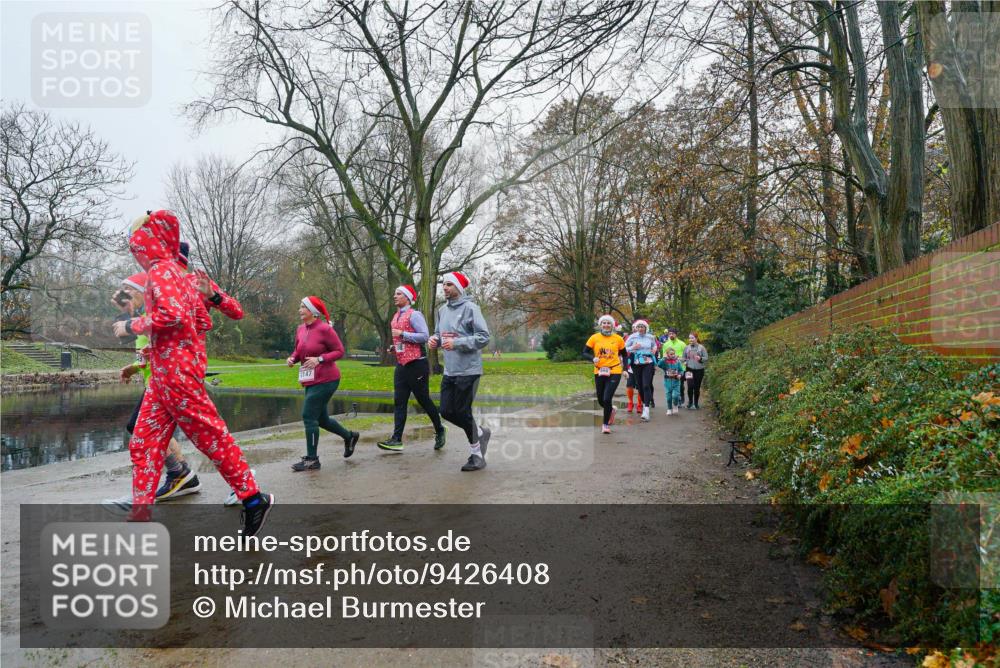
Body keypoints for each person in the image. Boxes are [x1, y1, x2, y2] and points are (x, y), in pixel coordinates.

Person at [112, 210, 272, 536]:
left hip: (179, 374)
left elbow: (179, 317)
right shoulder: (168, 275)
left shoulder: (165, 273)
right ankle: (140, 515)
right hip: (165, 374)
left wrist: (131, 325)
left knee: (210, 437)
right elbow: (188, 323)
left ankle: (254, 499)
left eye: (136, 245)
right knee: (143, 442)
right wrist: (155, 351)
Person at [112, 272, 201, 505]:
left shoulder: (153, 318)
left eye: (128, 289)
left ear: (143, 291)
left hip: (165, 383)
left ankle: (176, 474)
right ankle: (183, 476)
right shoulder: (144, 318)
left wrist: (127, 317)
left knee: (138, 428)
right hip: (158, 383)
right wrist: (133, 368)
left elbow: (162, 345)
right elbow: (145, 353)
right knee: (161, 432)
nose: (123, 294)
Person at [427, 271, 491, 472]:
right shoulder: (441, 310)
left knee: (463, 412)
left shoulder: (471, 308)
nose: (445, 287)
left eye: (449, 284)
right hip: (450, 370)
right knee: (446, 411)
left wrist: (457, 343)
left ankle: (477, 455)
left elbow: (483, 337)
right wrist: (434, 340)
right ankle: (480, 433)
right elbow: (439, 334)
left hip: (469, 370)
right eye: (444, 284)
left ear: (458, 288)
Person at [287, 296, 360, 470]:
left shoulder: (325, 329)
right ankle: (349, 436)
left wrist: (319, 359)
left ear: (313, 311)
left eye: (303, 307)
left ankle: (312, 459)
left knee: (308, 416)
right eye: (300, 306)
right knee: (321, 419)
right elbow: (299, 350)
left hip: (327, 379)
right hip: (310, 380)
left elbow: (339, 351)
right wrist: (292, 358)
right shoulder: (300, 329)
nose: (299, 310)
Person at [377, 285, 446, 453]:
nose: (395, 296)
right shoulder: (395, 316)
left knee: (423, 400)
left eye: (398, 294)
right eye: (395, 293)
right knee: (399, 402)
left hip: (417, 364)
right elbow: (402, 341)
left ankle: (440, 429)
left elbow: (424, 336)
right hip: (401, 365)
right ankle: (396, 439)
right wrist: (395, 348)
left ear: (407, 298)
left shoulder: (415, 315)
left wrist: (402, 334)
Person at [584, 315, 628, 434]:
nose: (606, 325)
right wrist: (592, 358)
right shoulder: (594, 338)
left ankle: (605, 425)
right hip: (599, 371)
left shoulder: (618, 339)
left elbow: (625, 355)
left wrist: (625, 369)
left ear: (612, 325)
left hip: (614, 371)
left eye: (608, 323)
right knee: (601, 400)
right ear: (600, 325)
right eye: (604, 323)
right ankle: (611, 410)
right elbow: (584, 352)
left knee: (607, 398)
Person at [624, 319, 658, 422]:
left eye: (642, 327)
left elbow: (654, 345)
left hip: (648, 362)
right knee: (640, 386)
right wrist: (633, 347)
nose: (640, 328)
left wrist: (654, 349)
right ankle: (644, 404)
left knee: (646, 385)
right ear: (636, 328)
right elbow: (624, 348)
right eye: (638, 327)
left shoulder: (650, 337)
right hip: (636, 363)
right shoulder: (632, 337)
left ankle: (646, 409)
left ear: (645, 328)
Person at [683, 332, 709, 410]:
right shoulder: (686, 348)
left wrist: (700, 358)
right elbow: (684, 358)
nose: (690, 339)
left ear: (696, 338)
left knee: (697, 387)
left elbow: (706, 358)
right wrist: (684, 361)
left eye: (692, 338)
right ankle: (690, 402)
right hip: (689, 369)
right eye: (689, 338)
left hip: (699, 370)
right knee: (690, 386)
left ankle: (696, 403)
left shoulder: (701, 348)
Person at [662, 328, 688, 405]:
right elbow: (664, 356)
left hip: (680, 368)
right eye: (670, 334)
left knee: (680, 385)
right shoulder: (666, 344)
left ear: (676, 334)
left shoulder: (682, 344)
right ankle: (675, 399)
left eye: (673, 333)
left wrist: (679, 358)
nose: (671, 335)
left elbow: (686, 356)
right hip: (669, 368)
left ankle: (681, 397)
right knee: (670, 385)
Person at [657, 348, 685, 414]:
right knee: (669, 397)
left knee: (675, 396)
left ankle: (675, 405)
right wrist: (664, 358)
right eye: (671, 354)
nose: (673, 355)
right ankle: (669, 409)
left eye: (673, 354)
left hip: (676, 381)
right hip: (667, 382)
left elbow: (681, 370)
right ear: (667, 354)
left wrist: (680, 375)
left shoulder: (677, 361)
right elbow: (659, 364)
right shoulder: (664, 362)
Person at [624, 321, 640, 413]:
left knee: (640, 385)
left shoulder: (646, 337)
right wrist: (633, 347)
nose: (634, 329)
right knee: (630, 384)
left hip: (642, 364)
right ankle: (630, 402)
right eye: (633, 327)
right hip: (631, 363)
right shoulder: (630, 337)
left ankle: (639, 404)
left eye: (636, 327)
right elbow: (624, 348)